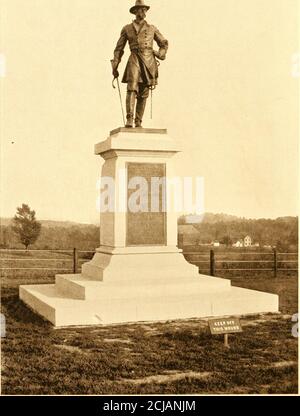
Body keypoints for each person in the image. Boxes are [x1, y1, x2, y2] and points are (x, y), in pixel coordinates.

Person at [111, 0, 168, 128]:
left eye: (144, 9)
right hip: (134, 58)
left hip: (149, 60)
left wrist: (159, 54)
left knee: (144, 91)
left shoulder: (152, 28)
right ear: (135, 11)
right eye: (140, 9)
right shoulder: (127, 28)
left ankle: (138, 121)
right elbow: (119, 49)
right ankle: (129, 119)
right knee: (132, 88)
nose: (143, 12)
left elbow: (163, 43)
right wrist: (115, 64)